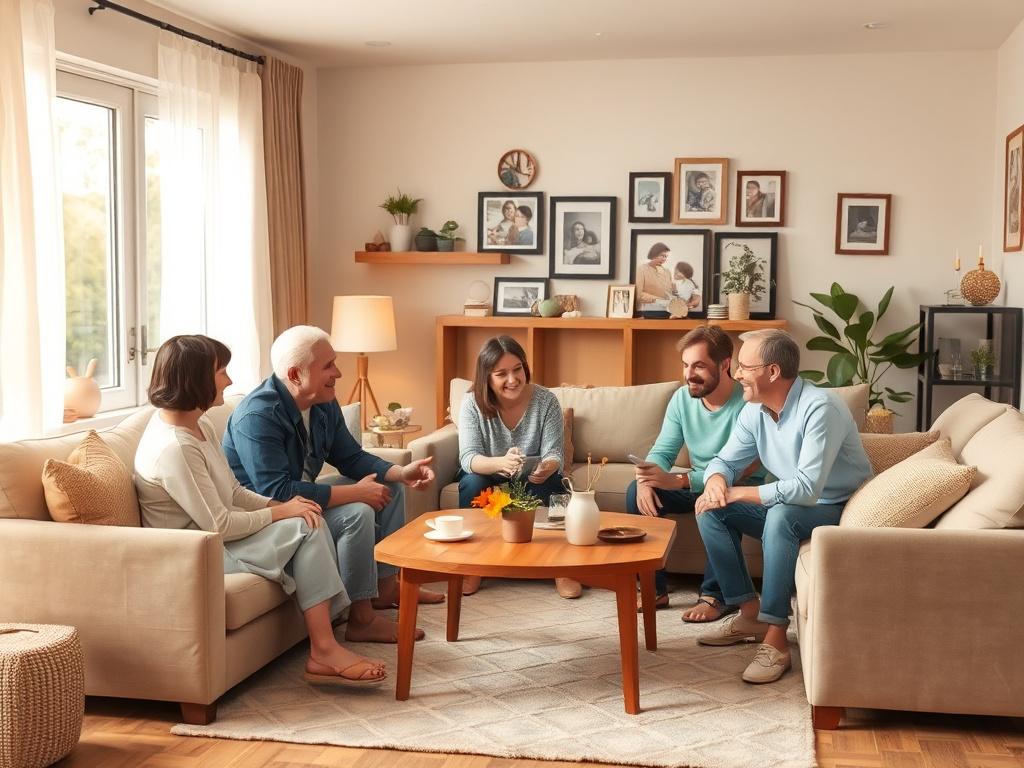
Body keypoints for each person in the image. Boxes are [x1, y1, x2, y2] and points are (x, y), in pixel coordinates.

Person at [134, 335, 386, 686]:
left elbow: (234, 492)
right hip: (195, 552)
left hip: (216, 537)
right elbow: (219, 525)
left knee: (306, 516)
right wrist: (281, 513)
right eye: (221, 372)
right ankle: (325, 649)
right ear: (196, 378)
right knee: (306, 525)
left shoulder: (198, 425)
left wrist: (281, 506)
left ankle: (327, 643)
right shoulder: (175, 447)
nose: (229, 381)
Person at [223, 325, 441, 645]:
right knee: (358, 512)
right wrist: (356, 493)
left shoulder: (322, 402)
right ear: (295, 374)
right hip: (271, 515)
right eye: (328, 365)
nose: (338, 373)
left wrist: (400, 472)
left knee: (389, 487)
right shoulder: (257, 415)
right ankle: (361, 620)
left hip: (302, 499)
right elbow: (276, 492)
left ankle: (386, 588)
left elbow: (350, 456)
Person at [694, 329, 872, 684]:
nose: (736, 374)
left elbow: (806, 488)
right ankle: (750, 615)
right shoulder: (754, 411)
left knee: (781, 515)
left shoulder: (820, 408)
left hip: (837, 507)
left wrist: (737, 493)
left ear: (772, 372)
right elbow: (724, 461)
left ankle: (776, 639)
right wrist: (716, 481)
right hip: (795, 505)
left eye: (744, 367)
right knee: (710, 509)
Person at [625, 326, 755, 619]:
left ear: (725, 364)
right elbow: (663, 450)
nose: (688, 374)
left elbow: (742, 467)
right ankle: (653, 588)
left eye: (699, 366)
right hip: (697, 481)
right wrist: (646, 478)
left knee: (718, 502)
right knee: (636, 493)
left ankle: (715, 596)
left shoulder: (748, 402)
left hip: (739, 485)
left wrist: (681, 480)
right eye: (685, 365)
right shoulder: (682, 399)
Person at [457, 335, 579, 599]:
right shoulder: (472, 404)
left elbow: (554, 453)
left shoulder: (546, 401)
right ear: (486, 377)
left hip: (533, 479)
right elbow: (468, 458)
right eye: (501, 374)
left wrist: (548, 466)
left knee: (554, 482)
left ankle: (562, 568)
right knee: (472, 482)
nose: (512, 380)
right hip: (490, 478)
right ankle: (472, 567)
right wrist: (500, 462)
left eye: (517, 369)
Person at [635, 242, 678, 316]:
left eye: (666, 257)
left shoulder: (667, 272)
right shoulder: (641, 269)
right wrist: (659, 300)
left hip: (667, 312)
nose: (664, 259)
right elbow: (639, 294)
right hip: (649, 311)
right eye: (662, 256)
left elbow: (669, 292)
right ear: (654, 254)